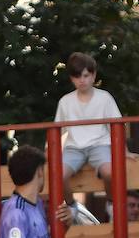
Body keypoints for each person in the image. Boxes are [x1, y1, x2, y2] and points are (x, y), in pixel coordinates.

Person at [54, 52, 130, 192]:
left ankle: (111, 201)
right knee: (58, 175)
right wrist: (50, 153)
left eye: (85, 76)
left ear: (93, 76)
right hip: (74, 147)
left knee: (110, 173)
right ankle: (72, 206)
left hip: (100, 145)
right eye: (77, 76)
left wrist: (125, 151)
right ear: (72, 78)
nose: (82, 80)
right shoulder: (65, 101)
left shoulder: (104, 98)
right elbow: (58, 131)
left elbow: (117, 127)